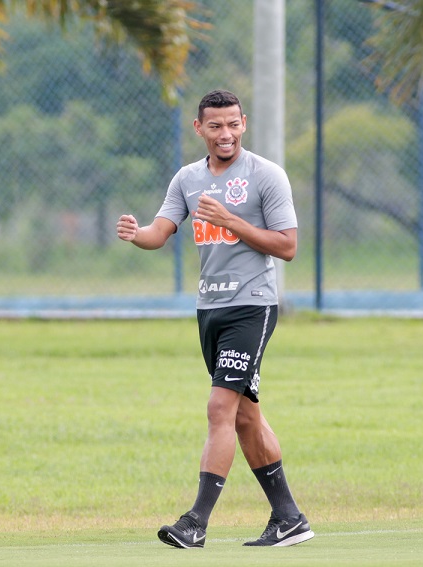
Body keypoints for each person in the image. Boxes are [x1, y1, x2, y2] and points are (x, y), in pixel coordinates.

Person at [116, 89, 314, 549]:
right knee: (245, 416)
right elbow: (159, 233)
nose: (225, 134)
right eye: (215, 126)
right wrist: (135, 234)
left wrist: (231, 221)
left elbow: (287, 246)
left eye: (232, 124)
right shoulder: (187, 179)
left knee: (219, 408)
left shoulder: (266, 175)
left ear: (244, 123)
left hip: (253, 305)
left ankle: (195, 523)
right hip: (210, 310)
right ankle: (289, 518)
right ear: (199, 128)